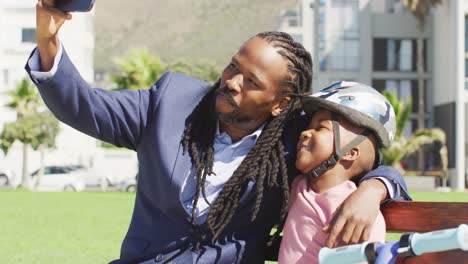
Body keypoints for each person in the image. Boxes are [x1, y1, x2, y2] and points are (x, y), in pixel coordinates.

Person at [26, 1, 411, 263]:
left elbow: (369, 159)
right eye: (232, 66)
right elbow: (84, 106)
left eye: (251, 80)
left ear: (280, 103)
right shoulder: (171, 102)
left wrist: (374, 190)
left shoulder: (294, 140)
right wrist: (47, 38)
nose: (231, 81)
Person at [278, 82, 396, 264]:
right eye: (308, 127)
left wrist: (375, 189)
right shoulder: (299, 186)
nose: (305, 133)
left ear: (350, 152)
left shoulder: (351, 210)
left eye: (320, 129)